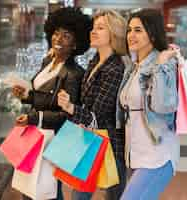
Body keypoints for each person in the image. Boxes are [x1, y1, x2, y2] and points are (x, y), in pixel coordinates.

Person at [12, 7, 92, 200]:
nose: (58, 38)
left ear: (76, 44)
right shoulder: (48, 62)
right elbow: (43, 97)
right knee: (29, 189)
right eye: (56, 33)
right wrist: (26, 96)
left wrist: (34, 117)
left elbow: (66, 116)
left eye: (66, 36)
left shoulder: (74, 74)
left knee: (45, 191)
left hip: (51, 139)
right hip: (34, 135)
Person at [57, 9, 127, 200]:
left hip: (110, 145)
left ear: (114, 33)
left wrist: (71, 107)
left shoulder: (115, 68)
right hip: (90, 140)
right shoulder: (95, 60)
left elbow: (98, 116)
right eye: (93, 28)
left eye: (100, 28)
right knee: (79, 195)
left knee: (113, 195)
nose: (93, 32)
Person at [116, 9, 180, 200]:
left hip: (157, 155)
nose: (131, 35)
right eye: (129, 30)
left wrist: (159, 66)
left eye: (138, 30)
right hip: (135, 154)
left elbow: (163, 106)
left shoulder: (165, 64)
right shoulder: (133, 67)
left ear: (152, 33)